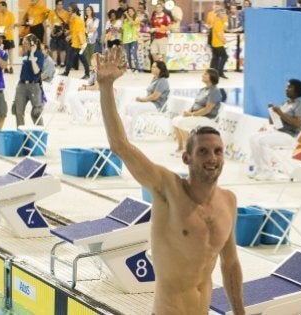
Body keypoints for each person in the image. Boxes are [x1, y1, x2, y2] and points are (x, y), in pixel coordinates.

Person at [96, 46, 244, 315]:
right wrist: (105, 88)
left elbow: (230, 264)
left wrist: (240, 312)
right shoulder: (168, 189)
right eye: (203, 152)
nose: (212, 158)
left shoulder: (228, 201)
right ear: (187, 159)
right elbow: (121, 146)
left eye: (218, 151)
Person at [248, 79, 301, 181]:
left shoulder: (300, 105)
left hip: (289, 136)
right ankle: (260, 168)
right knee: (253, 137)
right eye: (286, 87)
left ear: (297, 90)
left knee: (263, 141)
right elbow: (273, 122)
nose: (286, 89)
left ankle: (267, 172)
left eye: (289, 87)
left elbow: (297, 123)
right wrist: (272, 112)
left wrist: (280, 113)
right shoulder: (285, 103)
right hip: (277, 131)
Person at [172, 68, 223, 153]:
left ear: (212, 77)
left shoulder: (215, 91)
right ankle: (180, 147)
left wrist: (192, 114)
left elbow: (207, 109)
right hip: (197, 115)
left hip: (207, 118)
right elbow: (195, 104)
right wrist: (188, 112)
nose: (202, 75)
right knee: (175, 120)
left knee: (181, 123)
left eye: (205, 74)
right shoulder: (202, 90)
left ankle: (188, 150)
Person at [122, 60, 170, 138]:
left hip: (157, 105)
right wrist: (141, 99)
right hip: (150, 103)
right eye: (152, 67)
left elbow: (155, 96)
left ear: (160, 69)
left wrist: (142, 100)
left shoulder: (163, 81)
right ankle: (123, 130)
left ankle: (130, 133)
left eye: (154, 67)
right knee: (128, 106)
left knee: (135, 108)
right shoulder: (155, 79)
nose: (152, 68)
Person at [12, 34, 44, 127]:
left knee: (36, 112)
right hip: (22, 85)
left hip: (34, 85)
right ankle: (20, 133)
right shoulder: (25, 54)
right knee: (18, 111)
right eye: (23, 43)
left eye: (25, 43)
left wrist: (33, 55)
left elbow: (36, 71)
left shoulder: (39, 55)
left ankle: (39, 134)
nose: (23, 45)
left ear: (32, 43)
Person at [66, 54, 99, 124]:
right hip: (92, 91)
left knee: (74, 97)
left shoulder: (100, 71)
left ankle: (84, 114)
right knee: (70, 95)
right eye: (93, 65)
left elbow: (96, 87)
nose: (94, 67)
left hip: (98, 93)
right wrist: (85, 87)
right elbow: (91, 84)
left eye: (95, 64)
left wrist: (85, 88)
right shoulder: (93, 71)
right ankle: (76, 117)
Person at [60, 2, 89, 80]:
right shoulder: (72, 19)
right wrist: (68, 32)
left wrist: (70, 37)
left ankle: (87, 74)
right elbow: (73, 30)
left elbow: (79, 33)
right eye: (68, 10)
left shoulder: (78, 20)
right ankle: (67, 73)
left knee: (81, 58)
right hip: (75, 43)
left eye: (70, 10)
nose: (68, 12)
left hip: (79, 43)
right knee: (72, 58)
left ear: (74, 11)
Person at [0, 1, 15, 74]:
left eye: (0, 6)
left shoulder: (11, 14)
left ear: (4, 6)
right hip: (1, 37)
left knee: (10, 52)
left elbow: (12, 25)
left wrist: (6, 31)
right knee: (3, 52)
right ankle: (5, 67)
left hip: (9, 36)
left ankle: (11, 67)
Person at [48, 0, 69, 68]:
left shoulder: (66, 13)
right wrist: (52, 31)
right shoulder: (52, 12)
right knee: (54, 48)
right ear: (56, 5)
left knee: (62, 49)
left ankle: (62, 63)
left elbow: (67, 23)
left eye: (61, 4)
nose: (60, 6)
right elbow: (50, 22)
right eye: (59, 4)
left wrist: (62, 31)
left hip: (62, 32)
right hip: (54, 32)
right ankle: (55, 62)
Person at [210, 9, 229, 79]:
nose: (224, 14)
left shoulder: (219, 21)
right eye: (222, 13)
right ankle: (220, 72)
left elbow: (225, 29)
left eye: (224, 13)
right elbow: (219, 34)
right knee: (225, 56)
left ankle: (213, 72)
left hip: (215, 43)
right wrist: (223, 40)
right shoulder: (218, 22)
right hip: (218, 44)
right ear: (219, 14)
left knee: (216, 58)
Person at [122, 7, 140, 72]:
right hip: (126, 39)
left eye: (131, 11)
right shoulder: (125, 20)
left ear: (134, 12)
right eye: (128, 11)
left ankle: (137, 68)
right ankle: (130, 68)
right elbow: (123, 29)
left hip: (134, 39)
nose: (129, 13)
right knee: (128, 54)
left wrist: (126, 15)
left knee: (134, 52)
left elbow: (133, 23)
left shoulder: (137, 18)